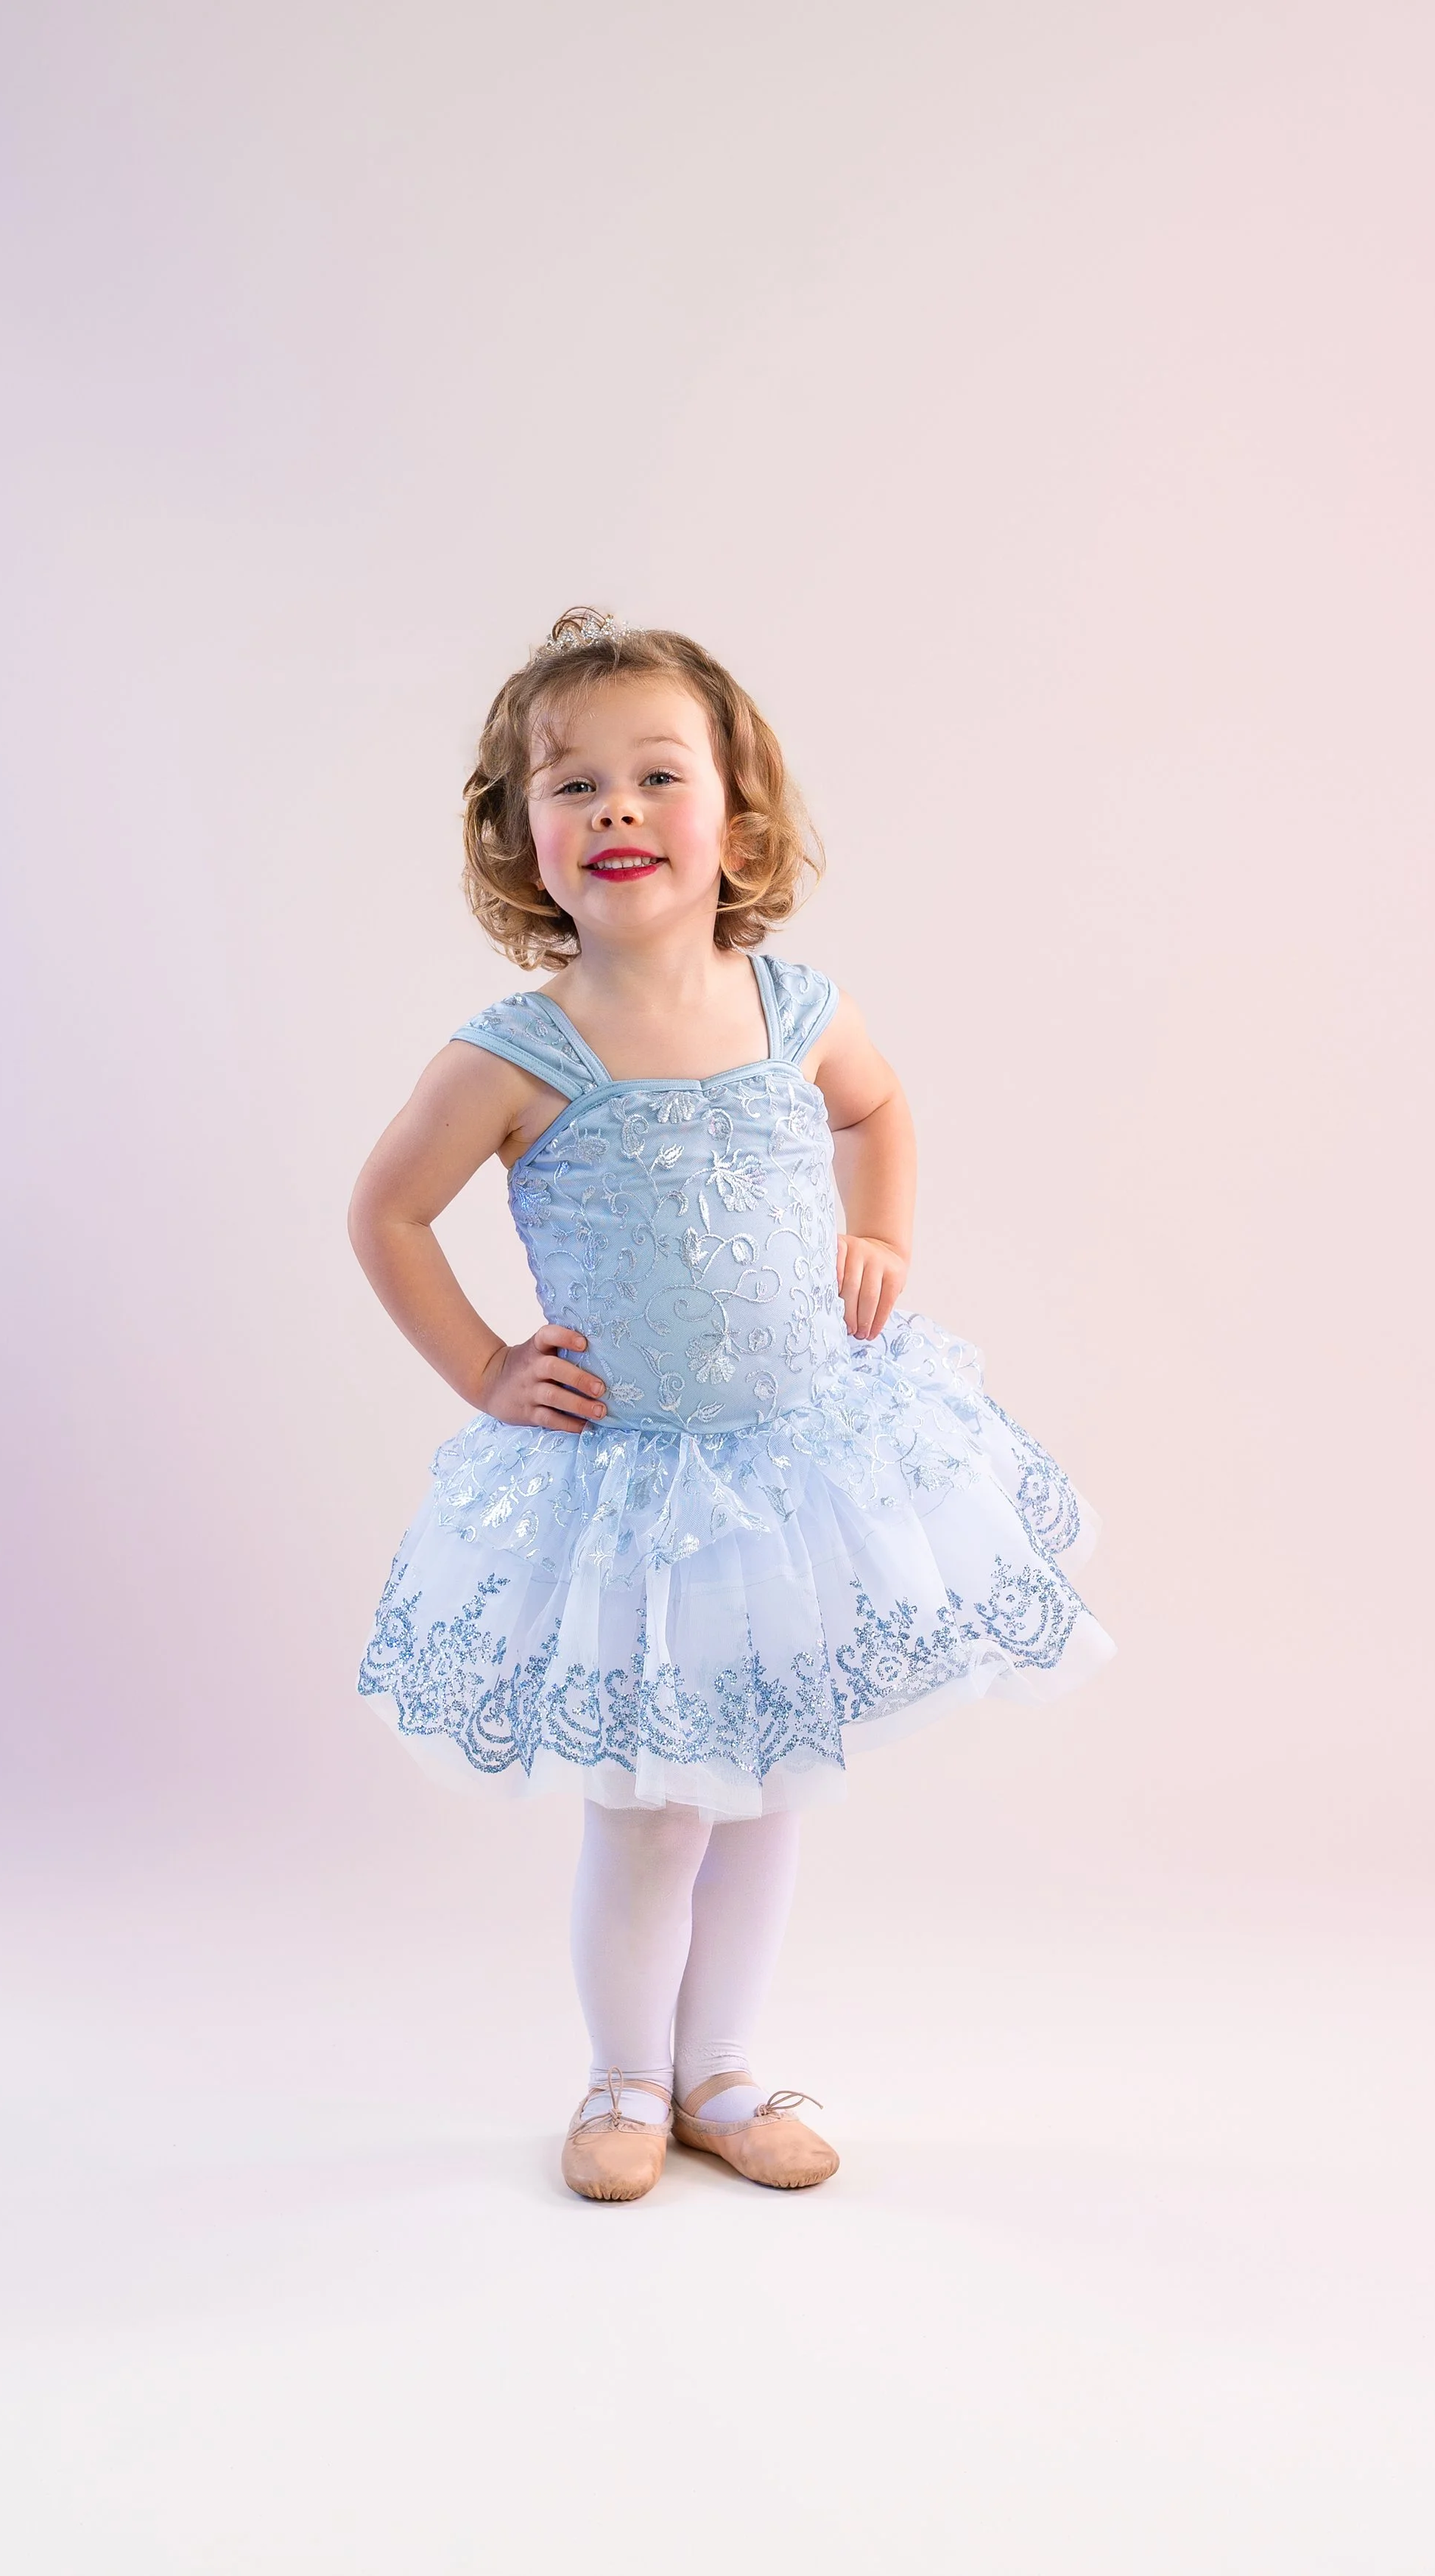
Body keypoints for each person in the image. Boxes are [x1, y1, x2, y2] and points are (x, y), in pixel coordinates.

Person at [348, 608, 1114, 2202]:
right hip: (633, 1492)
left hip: (792, 1474)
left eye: (654, 775)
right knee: (646, 1813)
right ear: (520, 842)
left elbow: (880, 1103)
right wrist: (486, 1366)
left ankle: (721, 2072)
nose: (613, 809)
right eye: (569, 786)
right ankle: (622, 2075)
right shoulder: (515, 1055)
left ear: (735, 822)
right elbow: (386, 1214)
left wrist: (882, 1233)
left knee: (767, 1795)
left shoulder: (793, 1009)